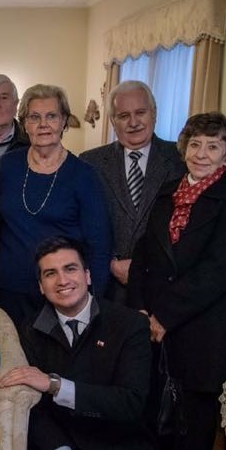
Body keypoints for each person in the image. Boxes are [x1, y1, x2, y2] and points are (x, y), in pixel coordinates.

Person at [0, 237, 169, 450]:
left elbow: (131, 402)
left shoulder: (129, 324)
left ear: (89, 276)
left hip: (118, 441)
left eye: (70, 269)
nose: (62, 280)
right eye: (51, 274)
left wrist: (55, 385)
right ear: (41, 286)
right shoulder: (30, 330)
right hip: (64, 441)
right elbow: (37, 412)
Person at [128, 112, 226, 450]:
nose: (202, 154)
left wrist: (166, 314)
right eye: (196, 144)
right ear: (184, 148)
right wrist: (141, 310)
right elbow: (145, 254)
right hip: (157, 326)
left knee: (194, 428)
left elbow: (220, 268)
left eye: (213, 146)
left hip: (205, 331)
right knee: (160, 419)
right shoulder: (171, 190)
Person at [0, 83, 112, 324]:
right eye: (34, 117)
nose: (43, 124)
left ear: (64, 121)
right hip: (8, 290)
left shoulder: (84, 174)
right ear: (24, 123)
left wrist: (92, 302)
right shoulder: (8, 165)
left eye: (51, 116)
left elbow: (99, 245)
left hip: (62, 292)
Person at [80, 81, 185, 302]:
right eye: (123, 115)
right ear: (112, 121)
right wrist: (110, 263)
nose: (133, 122)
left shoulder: (181, 159)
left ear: (154, 114)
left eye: (140, 112)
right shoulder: (90, 162)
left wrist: (145, 266)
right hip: (107, 289)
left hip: (164, 289)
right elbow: (79, 224)